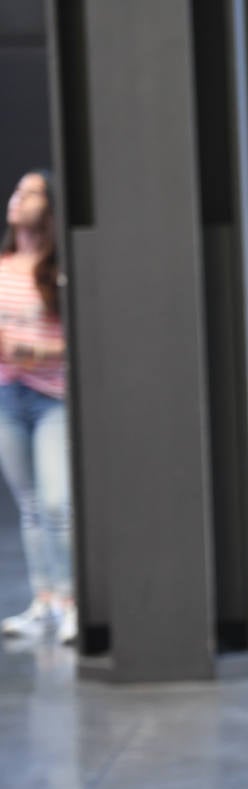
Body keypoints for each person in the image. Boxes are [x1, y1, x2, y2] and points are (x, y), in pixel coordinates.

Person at [0, 170, 75, 644]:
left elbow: (77, 340)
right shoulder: (4, 266)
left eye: (30, 193)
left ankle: (70, 599)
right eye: (17, 191)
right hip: (8, 396)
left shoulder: (59, 269)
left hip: (51, 399)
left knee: (56, 503)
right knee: (28, 505)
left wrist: (32, 353)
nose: (17, 199)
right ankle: (43, 600)